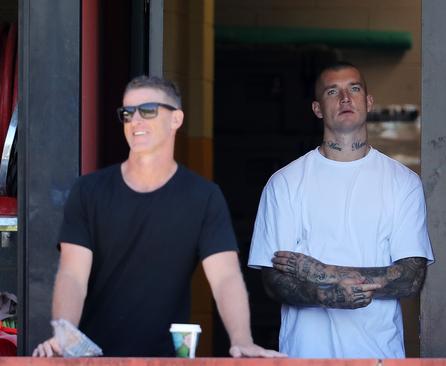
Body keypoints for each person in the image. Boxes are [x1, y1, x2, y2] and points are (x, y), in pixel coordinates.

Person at [33, 76, 284, 358]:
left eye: (148, 110)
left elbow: (225, 277)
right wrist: (63, 336)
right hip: (95, 359)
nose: (135, 120)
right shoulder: (89, 191)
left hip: (166, 359)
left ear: (176, 119)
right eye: (127, 113)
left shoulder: (203, 197)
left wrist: (242, 340)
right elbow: (72, 275)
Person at [248, 62, 435, 358]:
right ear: (317, 109)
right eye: (333, 91)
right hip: (305, 356)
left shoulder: (403, 182)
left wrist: (323, 271)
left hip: (377, 356)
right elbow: (274, 280)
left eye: (355, 89)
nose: (345, 98)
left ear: (369, 102)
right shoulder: (284, 183)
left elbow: (410, 277)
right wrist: (329, 295)